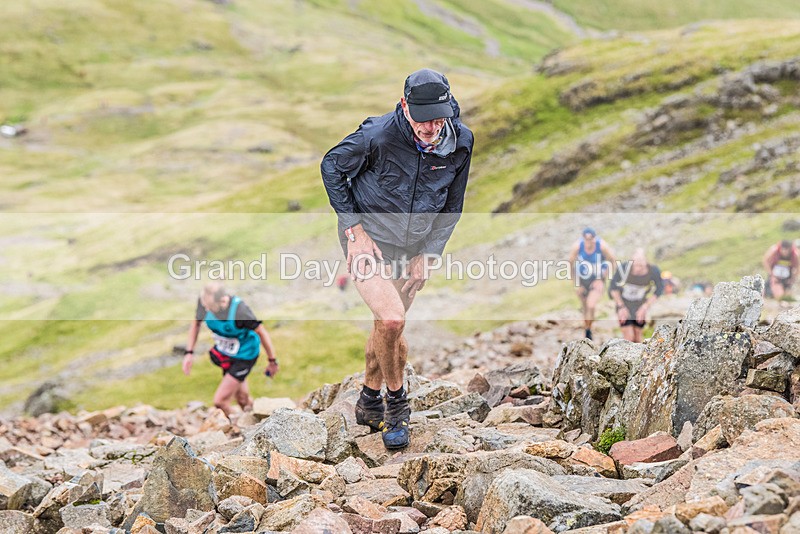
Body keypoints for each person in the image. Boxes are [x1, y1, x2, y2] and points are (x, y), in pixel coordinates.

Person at [321, 68, 473, 449]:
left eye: (437, 118)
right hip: (367, 243)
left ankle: (368, 400)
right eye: (421, 118)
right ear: (405, 107)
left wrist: (430, 254)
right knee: (391, 320)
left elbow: (452, 207)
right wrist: (354, 230)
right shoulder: (378, 135)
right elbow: (331, 167)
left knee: (388, 329)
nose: (429, 126)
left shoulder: (461, 141)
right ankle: (396, 407)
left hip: (414, 249)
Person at [182, 282, 279, 416]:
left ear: (222, 302)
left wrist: (272, 361)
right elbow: (196, 323)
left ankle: (239, 427)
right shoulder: (205, 301)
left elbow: (261, 332)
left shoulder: (240, 311)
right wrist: (189, 353)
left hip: (245, 355)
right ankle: (261, 417)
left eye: (209, 307)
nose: (205, 309)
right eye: (204, 305)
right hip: (227, 354)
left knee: (220, 401)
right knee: (242, 400)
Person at [568, 227, 616, 340]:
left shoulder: (602, 246)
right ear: (583, 239)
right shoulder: (577, 247)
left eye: (591, 239)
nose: (589, 242)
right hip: (582, 279)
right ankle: (587, 329)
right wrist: (576, 284)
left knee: (591, 304)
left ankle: (589, 331)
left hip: (597, 278)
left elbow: (613, 261)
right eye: (586, 239)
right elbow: (570, 264)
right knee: (585, 306)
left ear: (595, 238)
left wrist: (602, 277)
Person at [609, 249, 664, 342]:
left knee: (638, 336)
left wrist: (645, 307)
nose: (638, 269)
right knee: (629, 337)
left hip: (640, 303)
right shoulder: (623, 269)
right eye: (636, 265)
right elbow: (613, 288)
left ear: (646, 261)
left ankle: (640, 356)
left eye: (641, 266)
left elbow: (659, 290)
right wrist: (621, 307)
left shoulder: (653, 271)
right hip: (624, 303)